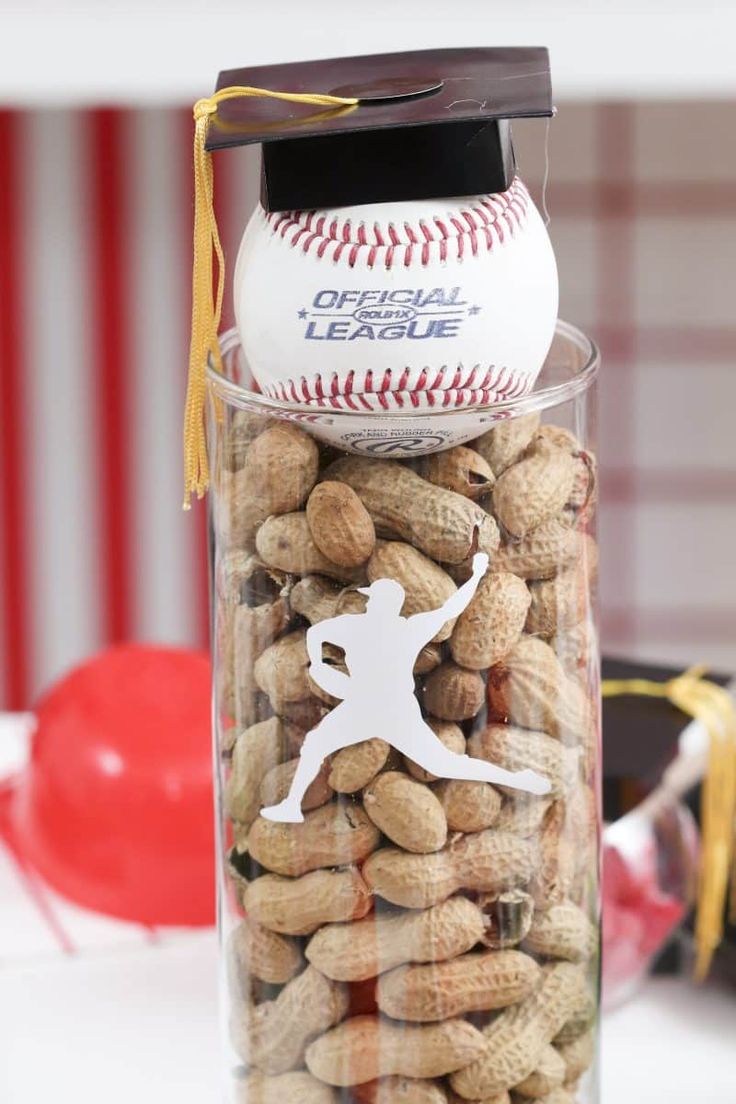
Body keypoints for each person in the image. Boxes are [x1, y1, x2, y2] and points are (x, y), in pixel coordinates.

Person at [261, 551, 550, 822]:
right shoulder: (364, 626)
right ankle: (291, 806)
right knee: (315, 745)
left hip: (394, 711)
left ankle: (517, 779)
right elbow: (317, 633)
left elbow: (451, 610)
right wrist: (320, 665)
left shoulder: (400, 629)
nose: (369, 604)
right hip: (361, 707)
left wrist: (476, 576)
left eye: (372, 599)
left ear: (386, 604)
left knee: (443, 764)